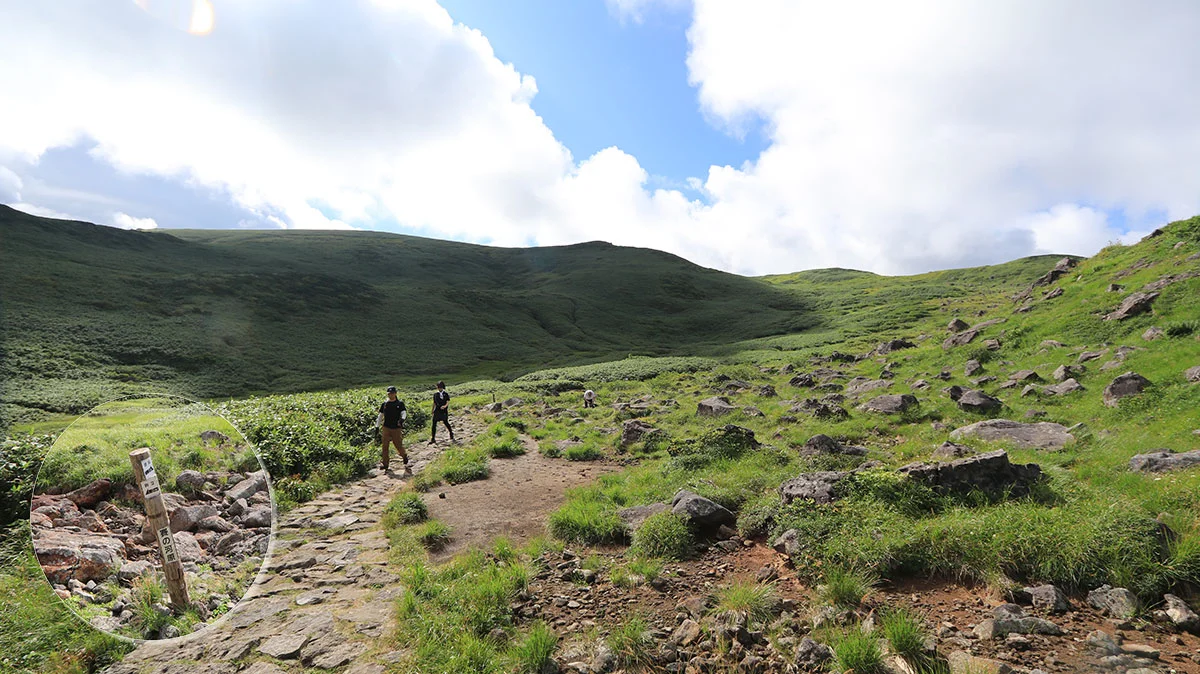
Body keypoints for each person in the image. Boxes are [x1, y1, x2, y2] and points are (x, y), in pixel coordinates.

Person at [377, 386, 410, 474]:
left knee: (398, 445)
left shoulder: (399, 403)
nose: (390, 395)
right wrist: (377, 426)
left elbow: (404, 413)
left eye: (392, 393)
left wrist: (402, 419)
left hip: (396, 428)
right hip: (386, 427)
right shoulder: (384, 404)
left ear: (395, 393)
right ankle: (385, 464)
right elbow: (380, 415)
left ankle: (404, 456)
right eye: (389, 393)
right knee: (385, 446)